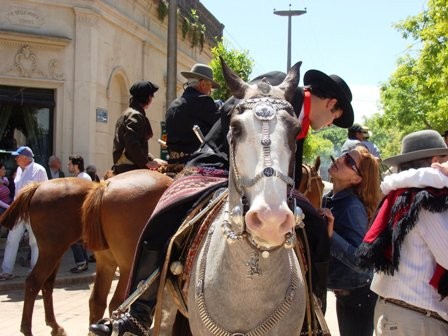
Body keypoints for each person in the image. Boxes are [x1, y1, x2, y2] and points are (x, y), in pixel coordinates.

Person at [89, 65, 355, 336]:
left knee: (316, 228)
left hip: (262, 178)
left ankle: (313, 317)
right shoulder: (274, 85)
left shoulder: (300, 117)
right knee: (169, 208)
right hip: (217, 161)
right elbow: (231, 109)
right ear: (331, 104)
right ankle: (139, 309)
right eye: (336, 116)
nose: (331, 124)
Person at [357, 129, 448, 335]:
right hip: (416, 319)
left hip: (398, 313)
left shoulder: (399, 196)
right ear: (435, 161)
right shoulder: (426, 199)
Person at [320, 147, 381, 336]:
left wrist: (331, 236)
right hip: (346, 293)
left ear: (356, 179)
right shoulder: (329, 199)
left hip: (360, 296)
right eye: (344, 155)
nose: (339, 159)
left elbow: (361, 262)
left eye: (349, 161)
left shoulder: (351, 207)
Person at [0, 146, 48, 280]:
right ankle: (6, 271)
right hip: (18, 211)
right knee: (12, 239)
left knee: (34, 241)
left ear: (26, 158)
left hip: (33, 211)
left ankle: (35, 271)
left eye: (18, 156)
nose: (15, 159)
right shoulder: (19, 170)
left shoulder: (39, 170)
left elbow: (45, 192)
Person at [165, 63, 221, 164]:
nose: (210, 92)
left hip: (172, 162)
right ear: (203, 84)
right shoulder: (205, 101)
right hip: (197, 162)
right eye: (210, 87)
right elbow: (220, 130)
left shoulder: (172, 105)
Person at [112, 80, 164, 175]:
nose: (152, 99)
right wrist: (146, 162)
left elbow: (136, 146)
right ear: (148, 97)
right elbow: (132, 143)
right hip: (129, 168)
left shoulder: (128, 113)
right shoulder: (135, 115)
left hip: (124, 166)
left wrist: (152, 159)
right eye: (151, 96)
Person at [67, 154, 92, 273]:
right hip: (78, 213)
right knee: (78, 239)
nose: (68, 166)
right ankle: (83, 262)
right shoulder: (79, 176)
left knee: (74, 238)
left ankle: (82, 262)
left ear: (76, 165)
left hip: (81, 213)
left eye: (70, 164)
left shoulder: (83, 177)